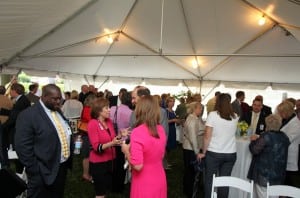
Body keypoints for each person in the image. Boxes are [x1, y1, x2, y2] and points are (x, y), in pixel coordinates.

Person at [15, 84, 73, 197]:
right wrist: (35, 171)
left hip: (60, 167)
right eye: (55, 99)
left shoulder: (57, 111)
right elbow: (22, 147)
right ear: (44, 96)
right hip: (42, 171)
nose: (58, 102)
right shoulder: (28, 115)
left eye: (60, 98)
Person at [121, 95, 167, 198]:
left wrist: (126, 151)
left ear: (140, 109)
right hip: (159, 177)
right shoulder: (160, 129)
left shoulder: (138, 132)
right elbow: (161, 155)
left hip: (144, 181)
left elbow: (138, 166)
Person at [200, 93, 239, 198]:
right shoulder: (235, 116)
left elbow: (207, 136)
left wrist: (203, 152)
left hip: (214, 152)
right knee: (224, 182)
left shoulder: (213, 115)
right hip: (230, 153)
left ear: (217, 102)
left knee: (210, 181)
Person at [247, 114, 290, 198]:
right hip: (278, 174)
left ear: (267, 124)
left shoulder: (266, 136)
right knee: (274, 195)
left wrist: (252, 141)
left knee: (262, 194)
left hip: (264, 174)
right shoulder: (284, 136)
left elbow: (254, 150)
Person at [87, 98, 123, 198]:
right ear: (98, 110)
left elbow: (112, 139)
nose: (109, 110)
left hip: (110, 161)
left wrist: (120, 135)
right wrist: (112, 143)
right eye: (106, 108)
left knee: (105, 189)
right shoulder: (93, 124)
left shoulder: (109, 122)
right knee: (100, 193)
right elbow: (96, 147)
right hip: (98, 163)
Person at [0, 83, 31, 173]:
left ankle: (19, 171)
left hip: (19, 130)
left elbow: (14, 116)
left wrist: (3, 126)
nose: (10, 93)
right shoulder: (21, 99)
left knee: (18, 151)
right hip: (18, 129)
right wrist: (2, 111)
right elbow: (13, 112)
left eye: (11, 91)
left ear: (14, 91)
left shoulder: (21, 101)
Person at [109, 91, 133, 193]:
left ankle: (112, 184)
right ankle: (119, 186)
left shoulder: (113, 109)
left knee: (114, 163)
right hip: (124, 141)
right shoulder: (131, 113)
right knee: (122, 164)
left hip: (113, 139)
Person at [182, 101, 205, 198]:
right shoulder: (192, 120)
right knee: (191, 171)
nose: (201, 110)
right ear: (194, 109)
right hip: (190, 149)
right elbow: (193, 138)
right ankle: (190, 192)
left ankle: (188, 189)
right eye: (200, 108)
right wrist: (197, 152)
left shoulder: (195, 118)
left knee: (189, 171)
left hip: (190, 148)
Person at [277, 100, 300, 188]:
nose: (279, 114)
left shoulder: (296, 124)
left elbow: (287, 139)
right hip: (286, 156)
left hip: (291, 158)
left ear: (286, 112)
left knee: (290, 185)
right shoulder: (288, 120)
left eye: (281, 112)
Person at [79, 93, 97, 182]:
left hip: (85, 134)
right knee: (87, 156)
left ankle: (87, 173)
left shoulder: (85, 108)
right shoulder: (88, 110)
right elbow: (91, 122)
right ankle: (86, 174)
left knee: (87, 155)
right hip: (87, 135)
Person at [0, 85, 13, 167]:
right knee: (3, 144)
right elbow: (12, 108)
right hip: (5, 123)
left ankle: (4, 163)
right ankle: (5, 163)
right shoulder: (8, 99)